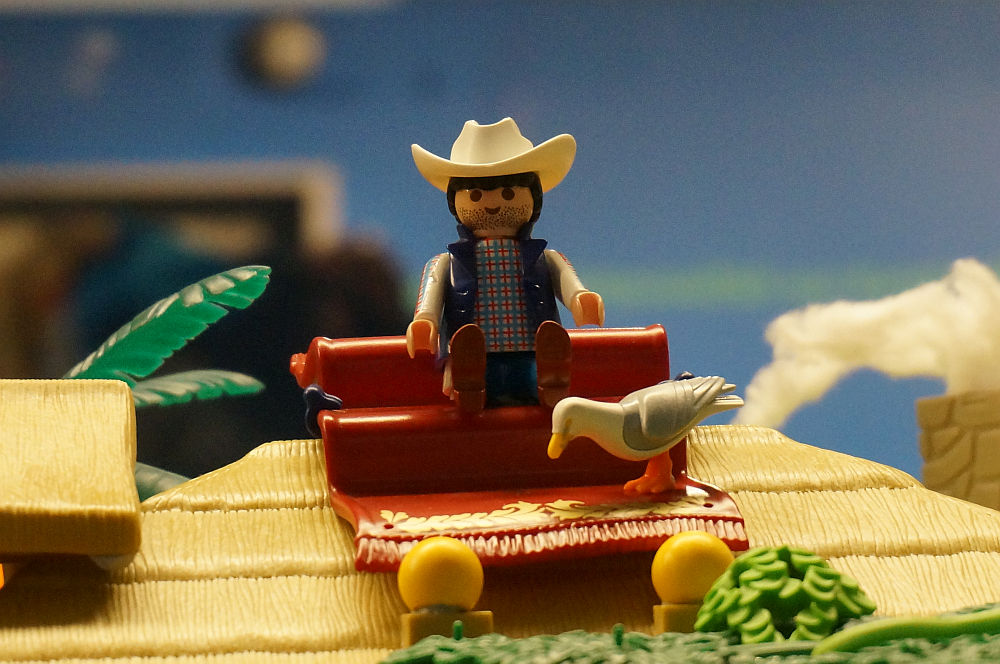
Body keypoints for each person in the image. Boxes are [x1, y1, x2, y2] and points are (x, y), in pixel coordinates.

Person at [406, 118, 604, 413]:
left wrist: (580, 299)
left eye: (509, 193)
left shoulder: (544, 257)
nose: (492, 204)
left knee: (533, 372)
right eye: (475, 194)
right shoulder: (446, 263)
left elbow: (567, 280)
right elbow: (431, 294)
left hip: (532, 344)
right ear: (455, 202)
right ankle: (469, 382)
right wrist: (425, 322)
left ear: (534, 200)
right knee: (472, 364)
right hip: (473, 346)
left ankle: (550, 378)